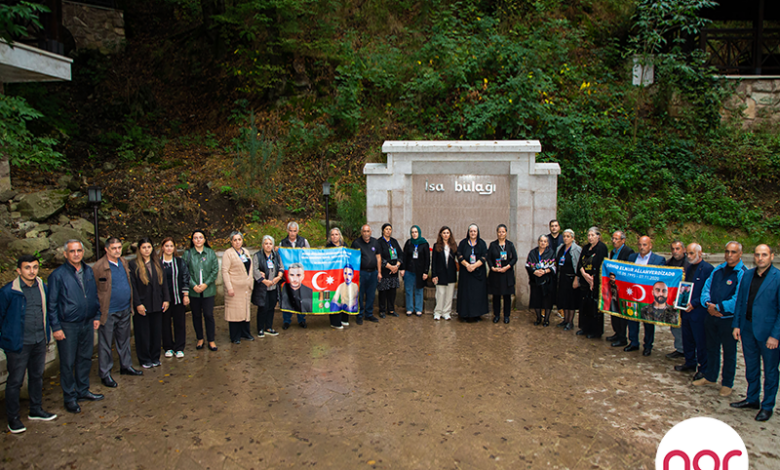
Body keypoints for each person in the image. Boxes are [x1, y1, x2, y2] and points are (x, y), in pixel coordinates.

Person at [0, 255, 57, 433]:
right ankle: (13, 419)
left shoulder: (42, 287)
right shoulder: (9, 292)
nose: (32, 271)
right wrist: (7, 339)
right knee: (15, 381)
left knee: (36, 376)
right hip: (18, 344)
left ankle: (36, 409)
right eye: (27, 268)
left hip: (39, 340)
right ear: (18, 270)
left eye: (34, 267)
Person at [47, 240, 104, 414]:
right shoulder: (58, 275)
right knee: (67, 361)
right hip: (68, 325)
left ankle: (82, 390)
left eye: (79, 250)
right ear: (65, 254)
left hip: (87, 322)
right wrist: (56, 327)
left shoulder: (88, 271)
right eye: (72, 251)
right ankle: (69, 397)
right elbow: (52, 304)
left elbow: (94, 295)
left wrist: (96, 315)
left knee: (85, 357)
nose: (76, 254)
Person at [731, 244, 780, 422]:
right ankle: (752, 399)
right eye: (758, 255)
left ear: (772, 256)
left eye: (764, 255)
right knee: (751, 367)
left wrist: (775, 335)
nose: (760, 258)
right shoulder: (747, 275)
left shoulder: (778, 278)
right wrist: (737, 325)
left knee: (770, 371)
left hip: (769, 334)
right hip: (747, 329)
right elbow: (740, 303)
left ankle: (767, 406)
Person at [694, 241, 746, 398]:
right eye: (727, 251)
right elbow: (706, 289)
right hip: (711, 316)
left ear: (740, 254)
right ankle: (710, 376)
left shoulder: (743, 273)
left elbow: (739, 298)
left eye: (733, 252)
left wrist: (719, 307)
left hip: (728, 319)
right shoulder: (718, 269)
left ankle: (727, 383)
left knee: (729, 352)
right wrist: (708, 304)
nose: (729, 255)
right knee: (712, 347)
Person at [93, 237, 143, 388]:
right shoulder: (99, 267)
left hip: (124, 308)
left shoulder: (123, 262)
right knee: (106, 343)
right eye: (114, 248)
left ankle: (125, 366)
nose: (117, 250)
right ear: (106, 249)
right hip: (108, 310)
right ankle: (105, 373)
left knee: (124, 339)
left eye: (119, 247)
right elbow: (94, 290)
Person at [129, 237, 170, 368]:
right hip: (142, 303)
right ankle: (144, 358)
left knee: (156, 331)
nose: (146, 250)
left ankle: (155, 356)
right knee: (143, 333)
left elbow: (164, 284)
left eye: (149, 247)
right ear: (139, 250)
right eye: (144, 247)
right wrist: (137, 304)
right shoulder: (133, 265)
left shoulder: (157, 263)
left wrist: (166, 299)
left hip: (156, 303)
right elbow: (132, 287)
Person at [674, 243, 713, 378]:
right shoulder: (688, 268)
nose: (689, 256)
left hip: (698, 311)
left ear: (700, 253)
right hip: (685, 309)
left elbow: (707, 291)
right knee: (687, 338)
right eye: (688, 254)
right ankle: (690, 362)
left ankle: (703, 368)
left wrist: (695, 303)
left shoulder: (708, 269)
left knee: (700, 341)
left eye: (692, 253)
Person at [625, 236, 666, 355]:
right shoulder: (632, 258)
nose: (642, 247)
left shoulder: (659, 260)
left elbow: (661, 278)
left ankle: (648, 345)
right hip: (633, 294)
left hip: (648, 296)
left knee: (648, 322)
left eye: (644, 245)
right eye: (640, 245)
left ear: (650, 246)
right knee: (632, 318)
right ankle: (633, 342)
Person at [184, 230, 219, 351]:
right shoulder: (188, 254)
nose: (198, 240)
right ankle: (200, 338)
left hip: (208, 290)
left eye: (201, 237)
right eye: (195, 238)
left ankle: (211, 340)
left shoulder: (210, 253)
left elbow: (215, 270)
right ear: (192, 240)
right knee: (196, 315)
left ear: (205, 239)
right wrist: (193, 285)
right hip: (194, 291)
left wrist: (206, 284)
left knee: (209, 315)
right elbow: (185, 272)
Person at [159, 237, 190, 358]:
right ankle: (168, 347)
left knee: (180, 322)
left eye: (171, 246)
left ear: (174, 248)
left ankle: (179, 347)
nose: (169, 248)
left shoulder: (179, 261)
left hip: (178, 296)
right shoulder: (158, 262)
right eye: (166, 246)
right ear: (162, 247)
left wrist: (185, 294)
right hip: (164, 298)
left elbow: (185, 277)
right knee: (165, 323)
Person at [222, 231, 254, 344]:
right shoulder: (228, 253)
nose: (237, 242)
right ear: (231, 241)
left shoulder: (246, 252)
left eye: (239, 239)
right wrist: (229, 287)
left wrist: (250, 281)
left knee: (245, 311)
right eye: (235, 240)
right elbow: (225, 271)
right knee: (234, 312)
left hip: (245, 287)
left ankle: (245, 333)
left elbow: (250, 267)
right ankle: (235, 336)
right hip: (234, 288)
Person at [577, 227, 609, 338]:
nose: (590, 237)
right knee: (584, 305)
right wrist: (584, 274)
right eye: (589, 235)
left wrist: (593, 280)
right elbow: (580, 263)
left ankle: (595, 331)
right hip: (585, 279)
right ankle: (584, 328)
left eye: (592, 235)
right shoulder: (586, 248)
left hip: (596, 281)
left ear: (598, 236)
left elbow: (600, 265)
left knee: (594, 307)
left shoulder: (601, 248)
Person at [606, 231, 634, 347]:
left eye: (616, 239)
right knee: (614, 310)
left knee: (622, 311)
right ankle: (616, 332)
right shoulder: (612, 252)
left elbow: (628, 269)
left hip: (623, 287)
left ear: (623, 240)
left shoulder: (628, 252)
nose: (614, 241)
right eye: (613, 238)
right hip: (613, 286)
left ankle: (623, 337)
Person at [456, 224, 489, 322]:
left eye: (474, 231)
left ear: (477, 232)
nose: (473, 233)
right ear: (468, 232)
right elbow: (459, 255)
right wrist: (467, 265)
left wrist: (474, 266)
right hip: (466, 273)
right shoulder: (463, 243)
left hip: (478, 274)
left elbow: (484, 256)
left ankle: (476, 314)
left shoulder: (482, 243)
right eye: (471, 231)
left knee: (477, 294)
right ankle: (464, 314)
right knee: (465, 294)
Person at [252, 235, 282, 338]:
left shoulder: (276, 256)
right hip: (263, 287)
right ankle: (260, 328)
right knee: (262, 308)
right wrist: (264, 281)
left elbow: (281, 268)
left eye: (270, 244)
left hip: (273, 287)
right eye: (266, 243)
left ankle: (269, 327)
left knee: (271, 307)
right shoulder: (257, 256)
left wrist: (278, 277)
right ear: (262, 245)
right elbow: (255, 270)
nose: (268, 246)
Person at [280, 222, 309, 329]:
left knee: (300, 297)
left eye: (294, 231)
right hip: (288, 275)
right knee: (287, 297)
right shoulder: (282, 243)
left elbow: (309, 256)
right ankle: (286, 320)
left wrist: (306, 251)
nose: (292, 233)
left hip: (299, 274)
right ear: (287, 231)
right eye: (290, 231)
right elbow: (280, 259)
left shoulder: (303, 241)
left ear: (298, 231)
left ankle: (301, 319)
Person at [488, 224, 518, 324]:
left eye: (503, 232)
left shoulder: (510, 245)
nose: (501, 233)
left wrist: (507, 267)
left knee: (507, 296)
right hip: (496, 274)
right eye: (499, 232)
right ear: (497, 233)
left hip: (507, 274)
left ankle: (506, 316)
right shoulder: (493, 245)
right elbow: (488, 258)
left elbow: (514, 258)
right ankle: (496, 315)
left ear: (506, 233)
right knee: (496, 296)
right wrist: (492, 267)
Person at [351, 224, 381, 325]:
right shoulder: (356, 243)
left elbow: (378, 257)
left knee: (371, 295)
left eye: (368, 231)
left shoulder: (375, 242)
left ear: (371, 232)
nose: (366, 233)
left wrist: (379, 272)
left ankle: (369, 314)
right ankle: (359, 315)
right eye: (364, 231)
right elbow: (352, 259)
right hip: (361, 273)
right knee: (359, 295)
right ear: (361, 232)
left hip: (373, 273)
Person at [665, 240, 689, 359]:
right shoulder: (668, 263)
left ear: (684, 250)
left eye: (678, 248)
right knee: (675, 326)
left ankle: (689, 350)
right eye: (673, 249)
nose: (675, 251)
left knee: (686, 327)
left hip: (685, 299)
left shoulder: (689, 264)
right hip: (671, 299)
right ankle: (680, 349)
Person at [526, 235, 556, 326]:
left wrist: (545, 271)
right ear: (538, 242)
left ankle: (546, 319)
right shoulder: (533, 252)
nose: (543, 243)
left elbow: (554, 266)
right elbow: (528, 265)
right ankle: (538, 318)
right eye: (541, 241)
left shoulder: (551, 252)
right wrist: (534, 271)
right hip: (535, 280)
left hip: (547, 280)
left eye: (545, 241)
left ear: (547, 243)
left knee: (547, 301)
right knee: (536, 300)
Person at [402, 225, 430, 317]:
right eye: (413, 232)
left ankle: (418, 309)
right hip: (409, 270)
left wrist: (426, 271)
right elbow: (404, 256)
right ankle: (409, 308)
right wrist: (402, 269)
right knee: (408, 290)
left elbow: (427, 259)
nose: (414, 234)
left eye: (416, 232)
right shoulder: (409, 243)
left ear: (419, 232)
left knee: (419, 290)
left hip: (420, 271)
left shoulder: (424, 244)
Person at [556, 229, 581, 331]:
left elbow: (579, 265)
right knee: (564, 299)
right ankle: (565, 320)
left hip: (572, 277)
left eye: (568, 236)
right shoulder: (560, 248)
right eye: (564, 236)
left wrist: (577, 278)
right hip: (562, 277)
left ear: (573, 238)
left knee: (571, 301)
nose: (566, 238)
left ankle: (570, 322)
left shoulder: (577, 249)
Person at [431, 226, 458, 321]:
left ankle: (446, 312)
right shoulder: (436, 246)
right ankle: (438, 312)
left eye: (447, 233)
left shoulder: (454, 246)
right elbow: (433, 261)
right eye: (444, 233)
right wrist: (434, 274)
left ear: (450, 234)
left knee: (449, 295)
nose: (446, 235)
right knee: (440, 294)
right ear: (441, 234)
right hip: (440, 274)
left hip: (451, 273)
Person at [377, 223, 403, 318]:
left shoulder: (394, 242)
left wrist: (396, 265)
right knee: (383, 292)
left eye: (390, 229)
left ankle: (391, 310)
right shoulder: (379, 242)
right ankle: (382, 310)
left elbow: (401, 254)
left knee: (392, 292)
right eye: (386, 229)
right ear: (383, 230)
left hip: (394, 272)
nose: (388, 231)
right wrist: (389, 266)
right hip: (384, 271)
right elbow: (378, 256)